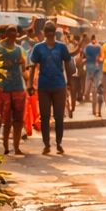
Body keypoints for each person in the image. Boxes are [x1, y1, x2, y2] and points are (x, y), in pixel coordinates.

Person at [30, 22, 71, 154]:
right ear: (44, 32)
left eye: (52, 30)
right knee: (45, 116)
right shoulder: (38, 48)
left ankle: (59, 142)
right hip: (44, 86)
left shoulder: (62, 47)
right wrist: (30, 85)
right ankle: (46, 144)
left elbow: (68, 63)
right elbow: (32, 67)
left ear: (55, 31)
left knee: (59, 117)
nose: (50, 32)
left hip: (59, 85)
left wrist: (70, 81)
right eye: (47, 30)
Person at [0, 25, 29, 155]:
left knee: (18, 121)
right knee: (5, 120)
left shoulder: (20, 50)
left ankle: (16, 147)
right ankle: (5, 146)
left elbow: (24, 69)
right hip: (3, 88)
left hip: (18, 87)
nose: (12, 37)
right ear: (6, 34)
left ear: (17, 35)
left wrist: (28, 84)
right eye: (10, 34)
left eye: (14, 34)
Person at [82, 34, 103, 116]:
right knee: (98, 91)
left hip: (90, 70)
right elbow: (101, 58)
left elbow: (84, 57)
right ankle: (98, 111)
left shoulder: (87, 47)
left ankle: (86, 94)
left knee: (91, 89)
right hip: (98, 70)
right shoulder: (99, 47)